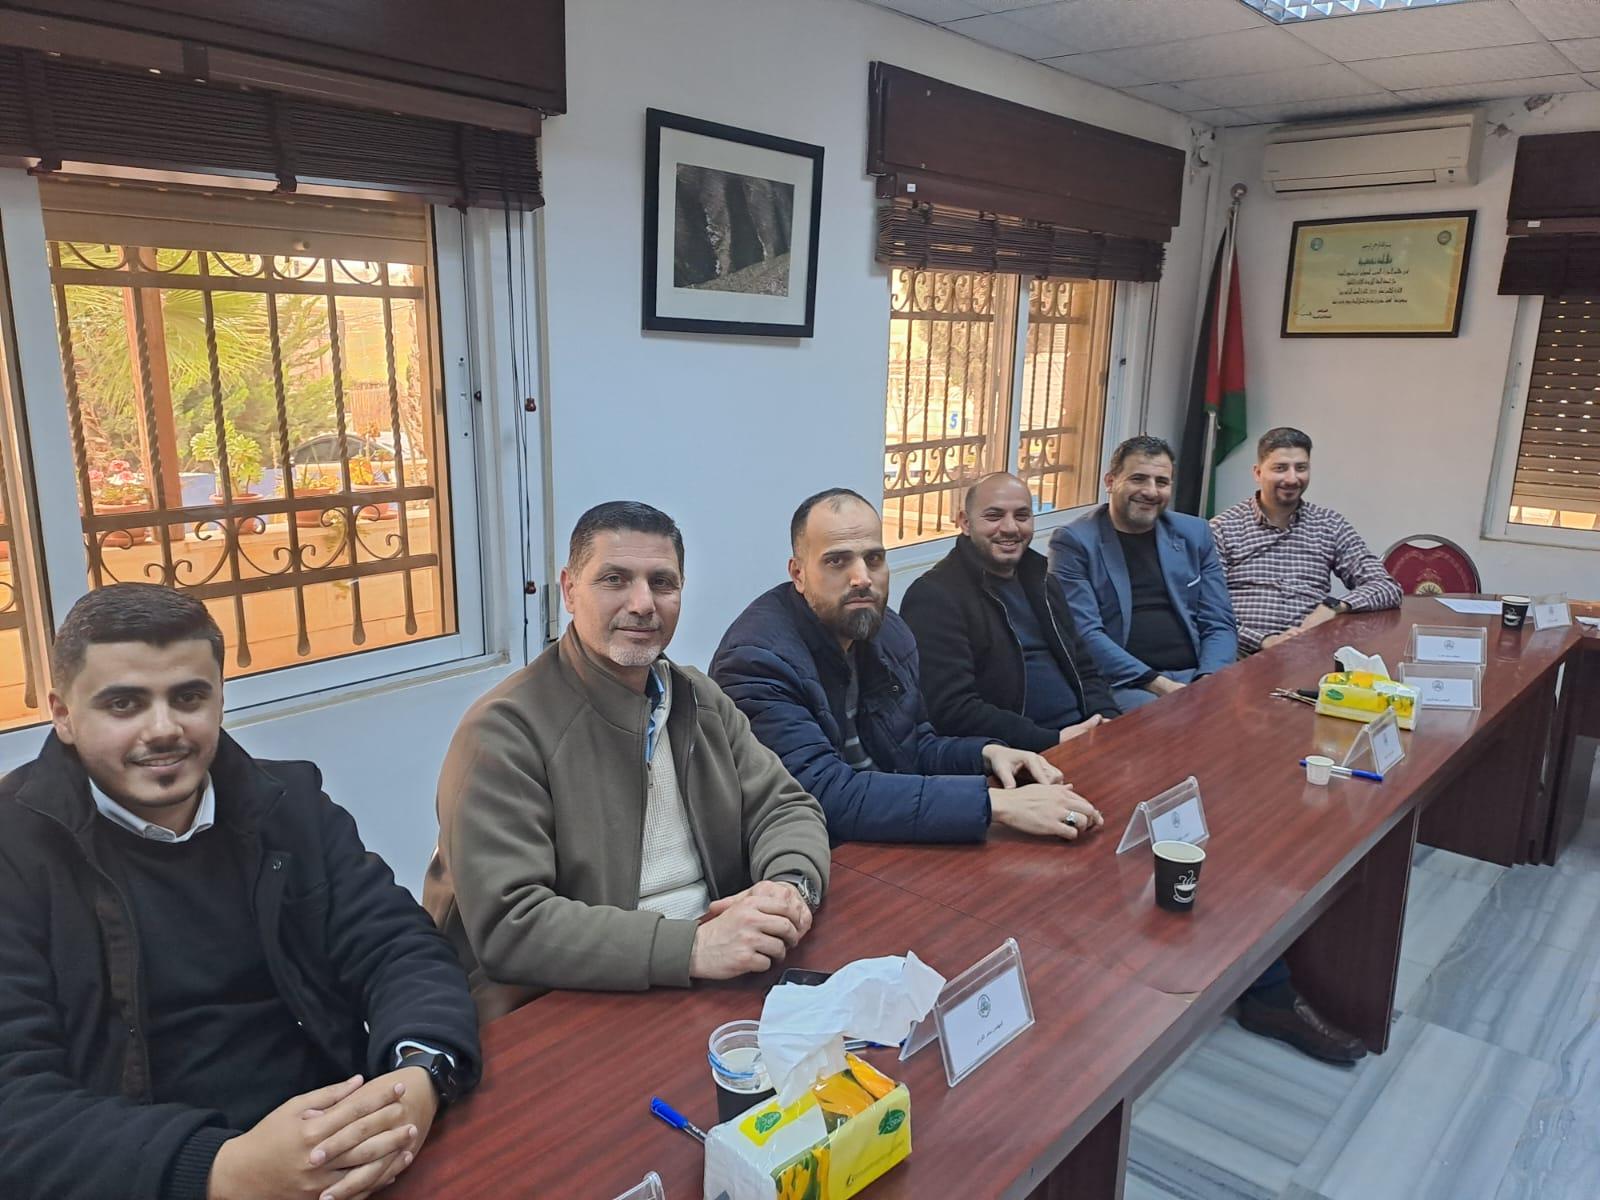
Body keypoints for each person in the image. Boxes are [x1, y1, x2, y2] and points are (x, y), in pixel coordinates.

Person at [0, 583, 480, 1200]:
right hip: (146, 1175)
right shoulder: (14, 852)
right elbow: (15, 1103)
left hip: (343, 1149)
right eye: (124, 704)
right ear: (63, 714)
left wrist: (420, 1072)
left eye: (189, 697)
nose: (163, 729)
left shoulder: (288, 806)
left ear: (220, 696)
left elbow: (399, 947)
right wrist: (221, 1169)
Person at [424, 502, 830, 1020]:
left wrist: (789, 888)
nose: (642, 604)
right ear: (569, 590)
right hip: (564, 1002)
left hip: (714, 976)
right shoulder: (503, 732)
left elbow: (787, 807)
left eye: (662, 583)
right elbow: (512, 925)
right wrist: (693, 948)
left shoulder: (696, 698)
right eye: (614, 579)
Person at [711, 488, 1102, 845]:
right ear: (798, 574)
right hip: (821, 855)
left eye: (874, 559)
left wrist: (989, 753)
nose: (862, 578)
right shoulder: (756, 661)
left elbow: (913, 747)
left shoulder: (887, 631)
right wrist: (994, 804)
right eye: (837, 561)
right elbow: (824, 795)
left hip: (887, 830)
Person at [900, 472, 1119, 749]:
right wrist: (1052, 740)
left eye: (1022, 516)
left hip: (1083, 737)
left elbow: (1084, 667)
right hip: (1018, 755)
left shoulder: (1044, 582)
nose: (1010, 528)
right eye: (994, 516)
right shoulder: (934, 596)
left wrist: (1108, 721)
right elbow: (952, 709)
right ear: (965, 522)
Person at [1049, 437, 1238, 711]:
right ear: (1111, 481)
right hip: (1125, 682)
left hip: (1196, 672)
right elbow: (1085, 634)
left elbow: (1218, 621)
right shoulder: (1074, 542)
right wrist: (1162, 685)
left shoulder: (1195, 533)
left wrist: (1208, 679)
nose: (1151, 492)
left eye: (1161, 482)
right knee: (1172, 723)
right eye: (1138, 479)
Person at [1210, 427, 1401, 653]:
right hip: (1242, 655)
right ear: (1258, 473)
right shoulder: (1222, 528)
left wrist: (1334, 606)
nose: (1292, 478)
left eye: (1301, 468)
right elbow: (1207, 609)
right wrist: (1264, 641)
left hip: (1312, 651)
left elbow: (1386, 587)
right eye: (1280, 468)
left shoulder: (1330, 524)